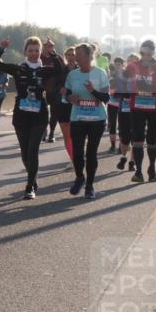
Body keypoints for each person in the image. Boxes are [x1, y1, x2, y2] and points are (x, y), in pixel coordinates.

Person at [0, 36, 66, 200]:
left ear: (41, 52)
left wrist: (52, 52)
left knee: (33, 151)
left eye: (37, 50)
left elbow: (61, 69)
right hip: (21, 114)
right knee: (25, 153)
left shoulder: (44, 69)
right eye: (30, 50)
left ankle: (29, 186)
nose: (33, 53)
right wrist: (1, 48)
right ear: (25, 51)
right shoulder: (18, 69)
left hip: (39, 114)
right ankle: (33, 178)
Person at [64, 43, 110, 199]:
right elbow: (67, 94)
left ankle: (89, 186)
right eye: (75, 54)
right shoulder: (73, 75)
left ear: (90, 56)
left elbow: (106, 98)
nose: (75, 56)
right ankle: (79, 177)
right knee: (77, 153)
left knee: (91, 153)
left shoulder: (100, 73)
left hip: (97, 119)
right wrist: (70, 97)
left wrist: (93, 91)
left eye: (79, 54)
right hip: (78, 117)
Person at [126, 39, 156, 183]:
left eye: (148, 51)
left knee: (152, 139)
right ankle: (139, 171)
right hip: (137, 108)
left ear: (153, 52)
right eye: (142, 51)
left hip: (154, 109)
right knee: (138, 138)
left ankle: (151, 168)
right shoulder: (132, 66)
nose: (145, 54)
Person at [114, 55, 136, 171]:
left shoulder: (142, 77)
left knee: (135, 138)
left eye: (134, 61)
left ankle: (132, 161)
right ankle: (124, 157)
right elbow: (115, 92)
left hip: (137, 111)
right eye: (130, 61)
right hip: (123, 110)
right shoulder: (122, 76)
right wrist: (120, 95)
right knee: (124, 137)